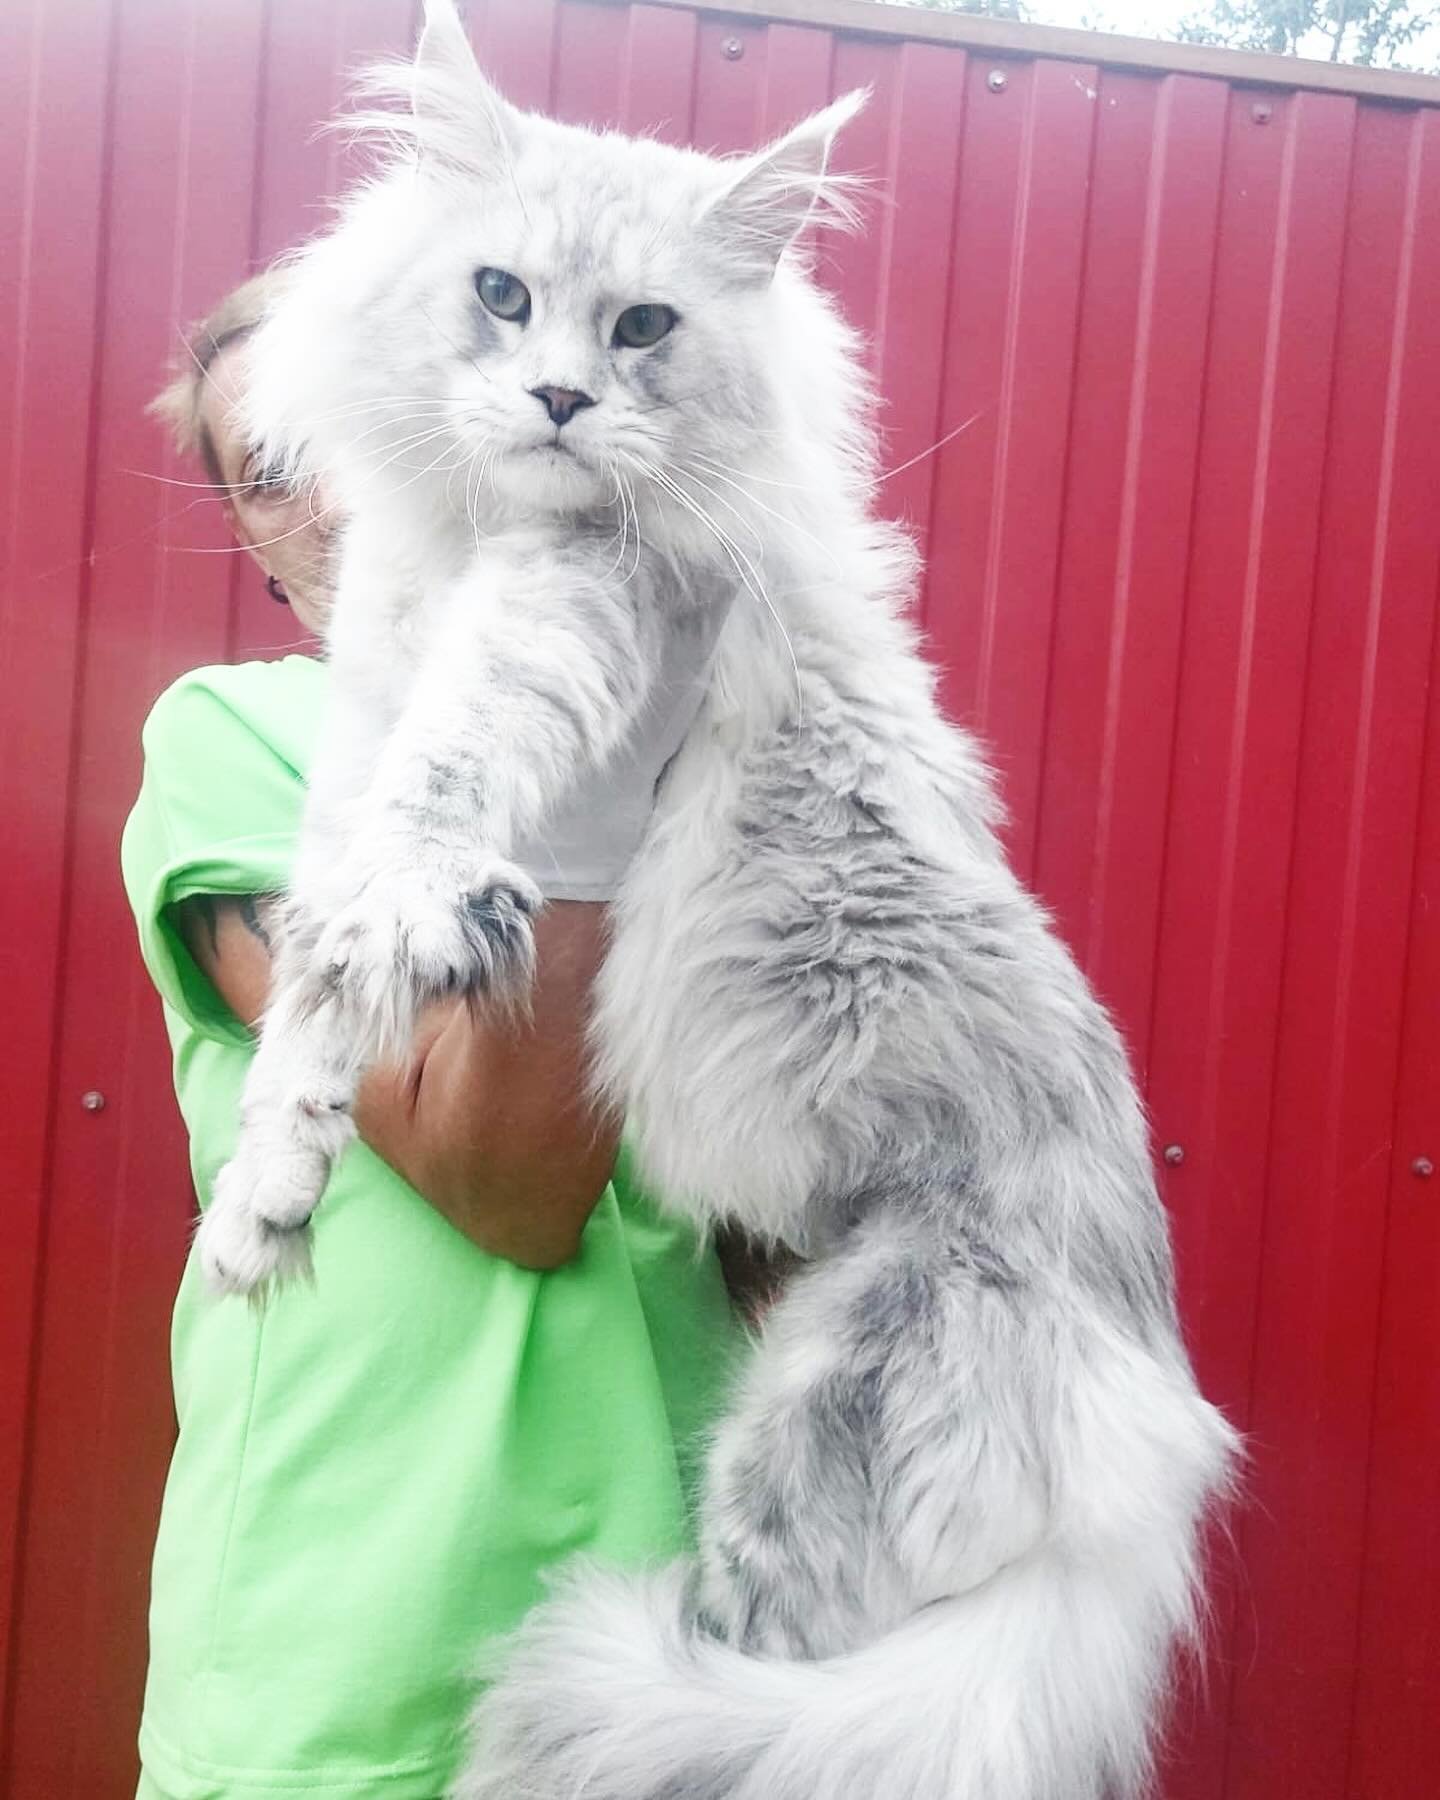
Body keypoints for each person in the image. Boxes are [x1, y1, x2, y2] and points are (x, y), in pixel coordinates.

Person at [121, 276, 745, 1800]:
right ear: (258, 557)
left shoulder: (722, 749)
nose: (327, 494)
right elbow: (498, 1172)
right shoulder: (236, 738)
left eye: (355, 424)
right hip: (346, 1658)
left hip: (667, 1649)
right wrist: (599, 697)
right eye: (267, 469)